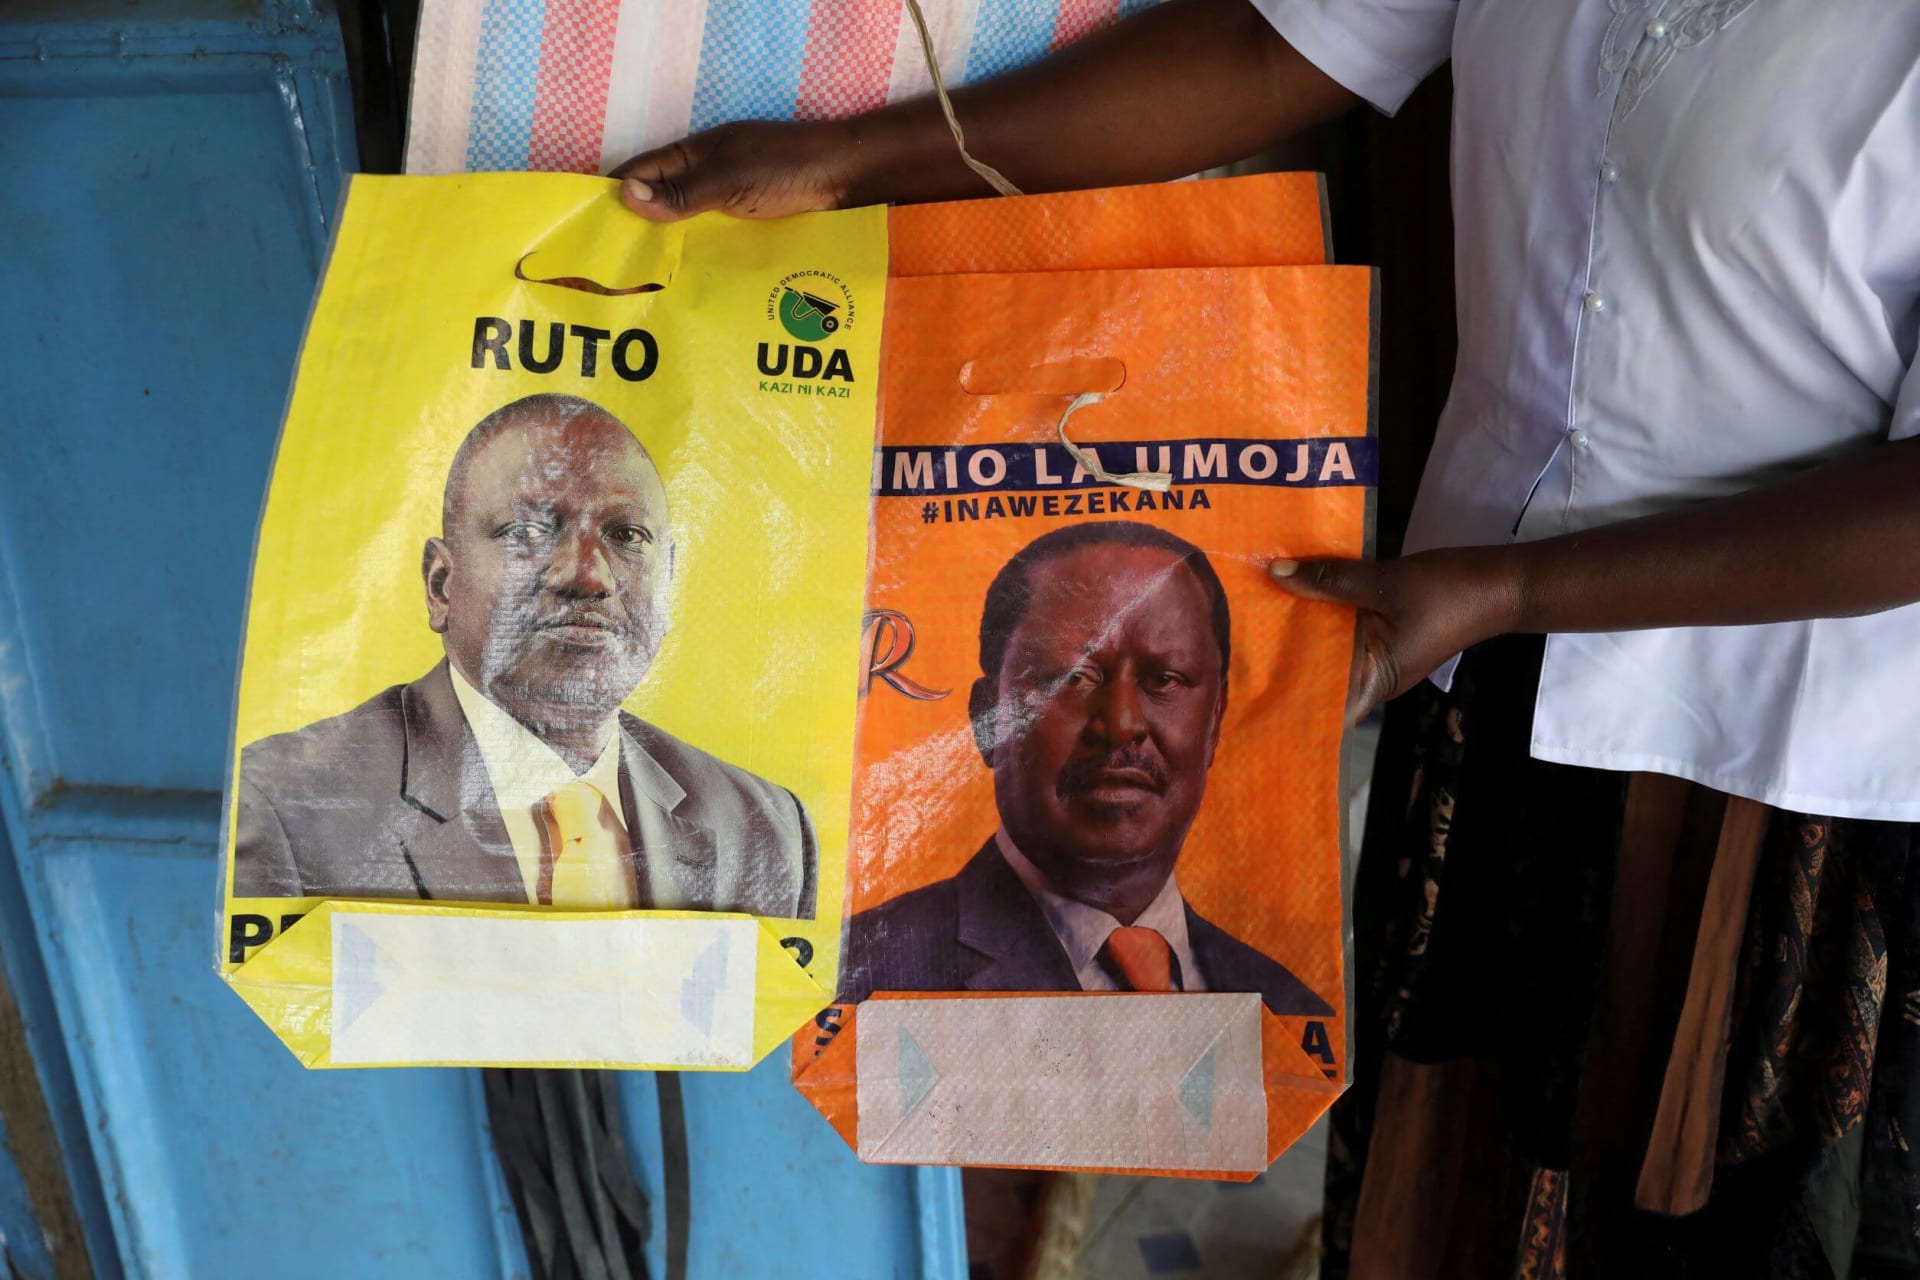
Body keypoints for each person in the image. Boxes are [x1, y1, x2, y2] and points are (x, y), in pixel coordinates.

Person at [611, 2, 1920, 1274]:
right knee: (1462, 1192)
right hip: (1482, 693)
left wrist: (1507, 591)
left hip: (1771, 762)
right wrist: (854, 160)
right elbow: (1269, 45)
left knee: (1687, 1217)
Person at [233, 392, 816, 918]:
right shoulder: (290, 808)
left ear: (668, 580)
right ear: (441, 584)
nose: (588, 576)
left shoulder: (767, 831)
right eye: (528, 531)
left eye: (627, 536)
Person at [840, 522, 1331, 1017]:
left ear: (1215, 722)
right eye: (1073, 677)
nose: (1121, 724)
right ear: (988, 720)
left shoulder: (1289, 1008)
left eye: (1164, 679)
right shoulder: (860, 979)